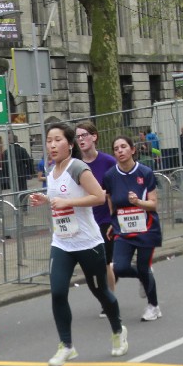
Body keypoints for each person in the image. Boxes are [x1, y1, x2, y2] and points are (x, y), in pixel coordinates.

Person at [29, 123, 128, 366]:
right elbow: (60, 198)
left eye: (58, 140)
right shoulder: (52, 170)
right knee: (58, 291)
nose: (52, 145)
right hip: (62, 242)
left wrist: (68, 203)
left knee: (100, 291)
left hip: (87, 242)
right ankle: (66, 346)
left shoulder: (77, 167)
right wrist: (46, 199)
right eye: (49, 141)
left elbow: (99, 196)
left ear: (70, 144)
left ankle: (118, 330)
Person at [103, 135, 163, 321]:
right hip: (123, 230)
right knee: (119, 268)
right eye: (116, 149)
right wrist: (113, 222)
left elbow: (153, 204)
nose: (120, 151)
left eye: (123, 147)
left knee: (144, 267)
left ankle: (153, 306)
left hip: (146, 229)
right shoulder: (110, 176)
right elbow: (110, 200)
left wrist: (138, 202)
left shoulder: (145, 172)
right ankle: (144, 276)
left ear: (133, 150)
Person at [73, 121, 118, 292]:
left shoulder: (108, 162)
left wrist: (115, 217)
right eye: (78, 136)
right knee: (93, 266)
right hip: (84, 221)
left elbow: (117, 189)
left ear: (94, 137)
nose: (81, 139)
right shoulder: (75, 165)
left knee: (105, 262)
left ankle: (110, 299)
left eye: (84, 135)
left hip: (105, 218)